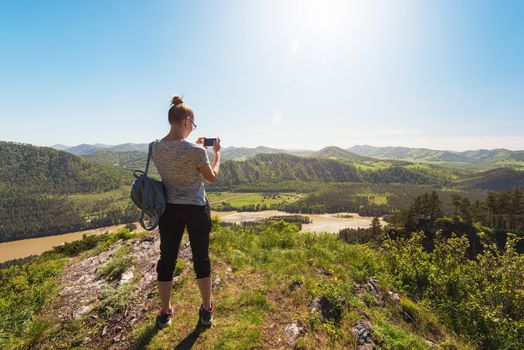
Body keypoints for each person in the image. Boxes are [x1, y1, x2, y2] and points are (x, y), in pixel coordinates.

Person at [151, 95, 221, 329]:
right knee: (201, 258)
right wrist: (216, 154)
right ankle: (206, 309)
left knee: (167, 259)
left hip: (169, 210)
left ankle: (164, 312)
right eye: (193, 123)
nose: (192, 127)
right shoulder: (197, 152)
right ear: (187, 120)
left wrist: (196, 145)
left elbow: (175, 159)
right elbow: (210, 178)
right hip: (196, 209)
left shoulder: (155, 148)